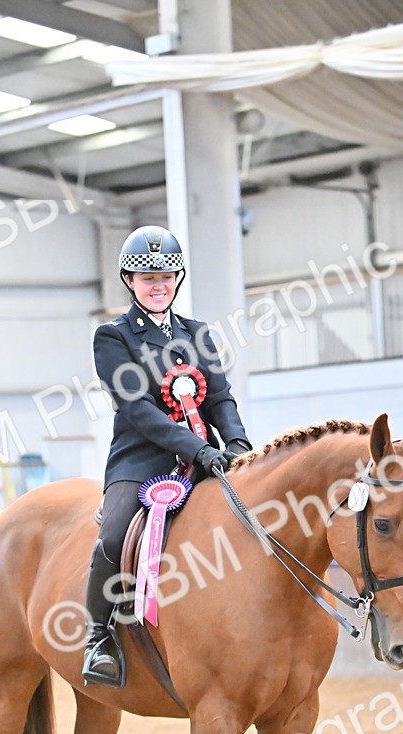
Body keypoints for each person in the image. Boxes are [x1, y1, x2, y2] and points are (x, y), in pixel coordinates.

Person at [82, 225, 252, 686]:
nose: (158, 285)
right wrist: (197, 448)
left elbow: (220, 397)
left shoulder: (197, 333)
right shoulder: (112, 337)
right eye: (147, 278)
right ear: (130, 282)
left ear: (176, 279)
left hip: (207, 459)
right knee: (115, 534)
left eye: (166, 276)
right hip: (141, 461)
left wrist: (235, 444)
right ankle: (97, 637)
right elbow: (136, 410)